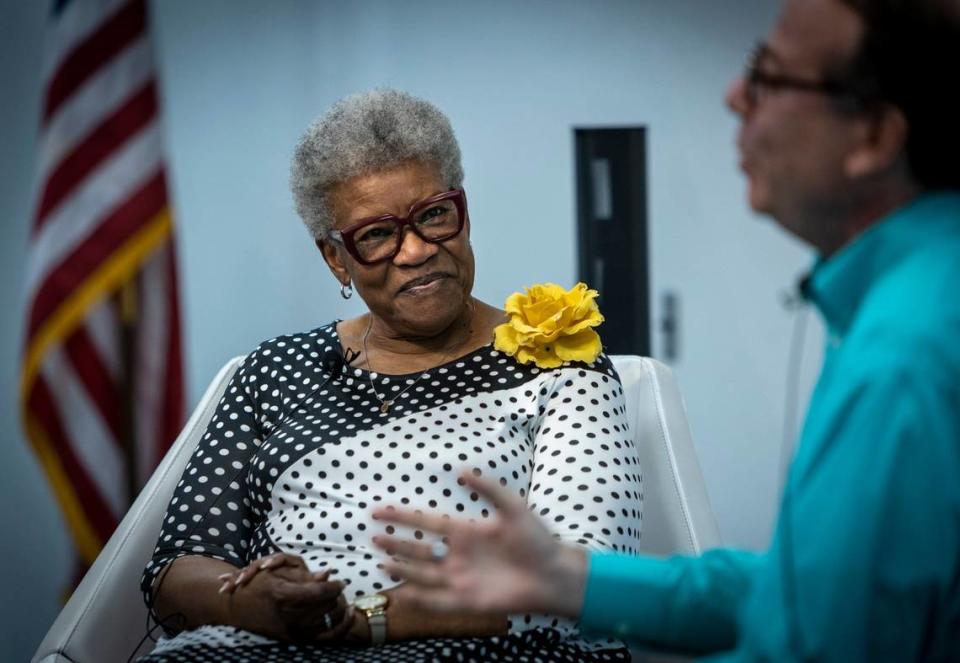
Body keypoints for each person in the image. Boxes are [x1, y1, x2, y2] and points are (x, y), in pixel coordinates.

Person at [372, 0, 960, 660]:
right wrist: (561, 575)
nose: (736, 98)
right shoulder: (912, 298)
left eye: (769, 77)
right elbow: (803, 594)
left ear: (876, 136)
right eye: (373, 235)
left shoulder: (906, 356)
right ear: (333, 257)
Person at [139, 89, 644, 662]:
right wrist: (247, 604)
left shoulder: (556, 356)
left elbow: (582, 576)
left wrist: (363, 622)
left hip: (483, 649)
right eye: (376, 235)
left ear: (464, 213)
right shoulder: (272, 370)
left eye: (433, 215)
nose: (415, 251)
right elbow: (177, 566)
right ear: (337, 259)